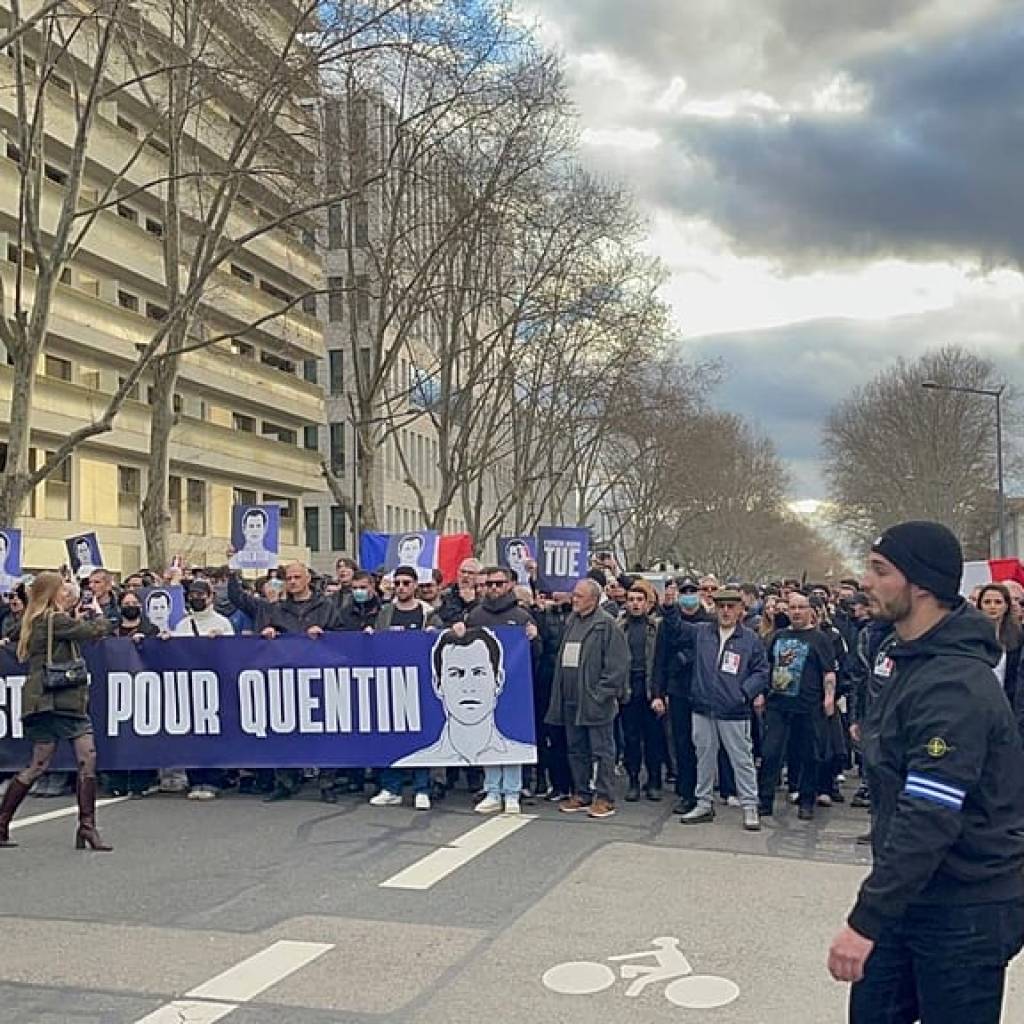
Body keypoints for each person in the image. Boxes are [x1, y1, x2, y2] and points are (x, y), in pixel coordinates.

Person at [827, 521, 1024, 1023]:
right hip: (911, 892)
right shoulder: (902, 657)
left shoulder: (954, 685)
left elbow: (929, 815)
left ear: (921, 585)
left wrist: (865, 920)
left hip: (966, 908)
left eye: (879, 570)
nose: (864, 582)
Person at [0, 572, 114, 850]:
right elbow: (95, 631)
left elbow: (14, 632)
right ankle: (87, 827)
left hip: (40, 701)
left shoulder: (33, 619)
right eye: (63, 589)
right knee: (87, 758)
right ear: (51, 593)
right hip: (64, 699)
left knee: (38, 764)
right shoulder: (55, 621)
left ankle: (2, 824)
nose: (67, 593)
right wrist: (98, 612)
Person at [229, 561, 341, 801]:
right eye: (288, 578)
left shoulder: (326, 606)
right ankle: (285, 781)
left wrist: (325, 635)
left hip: (317, 674)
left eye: (297, 577)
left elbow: (342, 637)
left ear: (307, 579)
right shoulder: (276, 609)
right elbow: (263, 638)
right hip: (285, 676)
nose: (292, 582)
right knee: (284, 729)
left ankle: (326, 782)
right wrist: (267, 634)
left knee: (323, 730)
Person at [659, 587, 769, 831]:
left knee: (742, 759)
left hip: (733, 711)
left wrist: (744, 693)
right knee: (704, 757)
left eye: (731, 607)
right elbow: (676, 628)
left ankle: (750, 805)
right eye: (721, 607)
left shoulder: (750, 639)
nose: (726, 611)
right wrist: (669, 606)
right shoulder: (702, 632)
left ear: (741, 610)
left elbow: (762, 671)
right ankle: (704, 802)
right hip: (702, 707)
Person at [545, 577, 630, 819]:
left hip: (595, 701)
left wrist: (601, 693)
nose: (574, 599)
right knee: (576, 748)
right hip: (571, 699)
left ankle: (605, 797)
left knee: (602, 750)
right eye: (574, 595)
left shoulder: (607, 625)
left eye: (579, 596)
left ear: (593, 599)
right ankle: (582, 792)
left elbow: (617, 666)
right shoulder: (572, 621)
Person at [460, 566, 540, 814]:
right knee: (488, 738)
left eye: (499, 583)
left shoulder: (522, 615)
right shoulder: (475, 616)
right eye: (490, 584)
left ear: (508, 585)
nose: (494, 588)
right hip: (484, 689)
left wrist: (534, 639)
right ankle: (493, 789)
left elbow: (538, 655)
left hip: (515, 688)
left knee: (512, 739)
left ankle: (513, 792)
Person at [757, 591, 839, 821]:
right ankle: (764, 800)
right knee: (770, 752)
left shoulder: (820, 639)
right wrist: (761, 694)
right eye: (792, 608)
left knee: (808, 755)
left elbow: (829, 672)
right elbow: (768, 666)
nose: (796, 612)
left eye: (801, 608)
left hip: (808, 706)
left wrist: (829, 698)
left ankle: (807, 801)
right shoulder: (778, 636)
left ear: (810, 612)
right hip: (778, 704)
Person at [369, 565, 443, 808]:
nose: (401, 588)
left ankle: (422, 788)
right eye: (397, 583)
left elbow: (442, 641)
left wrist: (435, 633)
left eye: (406, 583)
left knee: (420, 736)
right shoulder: (385, 612)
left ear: (415, 586)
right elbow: (377, 643)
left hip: (420, 682)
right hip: (391, 681)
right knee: (392, 736)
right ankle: (391, 787)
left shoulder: (428, 613)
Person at [617, 580, 666, 802]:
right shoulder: (620, 628)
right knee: (631, 738)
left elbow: (661, 663)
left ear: (647, 603)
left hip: (650, 688)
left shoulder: (656, 627)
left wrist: (659, 694)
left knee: (653, 738)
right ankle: (633, 780)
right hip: (628, 688)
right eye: (631, 600)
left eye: (639, 600)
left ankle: (654, 780)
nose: (635, 604)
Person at [976, 582, 1022, 707]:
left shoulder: (1018, 637)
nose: (992, 606)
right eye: (987, 602)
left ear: (1006, 605)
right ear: (979, 605)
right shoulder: (971, 637)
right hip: (978, 702)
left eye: (998, 602)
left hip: (1007, 703)